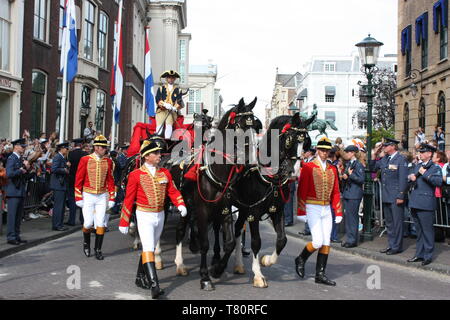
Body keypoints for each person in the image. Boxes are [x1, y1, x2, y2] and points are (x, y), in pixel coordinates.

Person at [118, 139, 187, 299]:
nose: (159, 155)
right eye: (155, 153)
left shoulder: (165, 173)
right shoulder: (136, 175)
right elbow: (129, 199)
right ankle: (155, 285)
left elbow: (173, 191)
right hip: (144, 215)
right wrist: (124, 220)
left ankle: (139, 278)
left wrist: (180, 204)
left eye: (158, 152)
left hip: (160, 215)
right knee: (149, 248)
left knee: (147, 248)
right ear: (146, 156)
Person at [295, 137, 343, 286]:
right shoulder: (309, 167)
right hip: (312, 206)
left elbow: (336, 191)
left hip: (326, 208)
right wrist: (301, 211)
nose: (324, 153)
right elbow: (302, 189)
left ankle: (320, 274)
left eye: (326, 150)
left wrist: (338, 211)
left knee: (326, 241)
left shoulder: (332, 168)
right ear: (317, 150)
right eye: (322, 150)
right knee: (317, 241)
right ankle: (301, 258)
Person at [75, 135, 115, 260]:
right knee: (87, 223)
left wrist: (112, 197)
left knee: (101, 223)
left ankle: (98, 249)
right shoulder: (85, 159)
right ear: (96, 147)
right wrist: (78, 197)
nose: (105, 149)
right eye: (102, 147)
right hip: (88, 195)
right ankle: (86, 243)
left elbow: (110, 180)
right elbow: (78, 180)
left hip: (102, 196)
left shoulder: (108, 161)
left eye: (105, 147)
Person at [370, 138, 408, 255]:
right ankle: (391, 245)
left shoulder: (400, 159)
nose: (384, 147)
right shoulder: (385, 159)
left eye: (386, 146)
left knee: (397, 223)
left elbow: (403, 179)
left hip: (396, 196)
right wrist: (373, 154)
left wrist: (401, 195)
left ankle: (397, 246)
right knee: (390, 223)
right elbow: (372, 168)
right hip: (386, 195)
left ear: (393, 146)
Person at [407, 143, 443, 265]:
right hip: (415, 201)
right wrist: (411, 177)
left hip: (426, 203)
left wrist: (424, 173)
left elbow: (438, 182)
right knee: (419, 231)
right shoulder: (418, 166)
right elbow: (412, 180)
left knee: (427, 231)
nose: (420, 154)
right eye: (420, 152)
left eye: (423, 152)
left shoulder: (435, 167)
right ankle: (419, 254)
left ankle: (428, 255)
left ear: (429, 154)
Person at [5, 139, 31, 245]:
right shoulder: (11, 158)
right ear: (16, 146)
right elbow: (9, 173)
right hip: (13, 191)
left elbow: (22, 174)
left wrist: (28, 170)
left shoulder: (20, 158)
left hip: (20, 190)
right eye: (22, 146)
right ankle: (11, 237)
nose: (24, 148)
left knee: (18, 216)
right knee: (12, 215)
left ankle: (16, 235)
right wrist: (21, 170)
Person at [341, 145, 365, 248]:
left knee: (352, 218)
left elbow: (361, 179)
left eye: (348, 152)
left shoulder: (358, 164)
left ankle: (352, 240)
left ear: (352, 153)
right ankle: (350, 238)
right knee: (349, 218)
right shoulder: (349, 163)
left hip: (354, 194)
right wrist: (345, 177)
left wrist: (350, 175)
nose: (346, 154)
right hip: (348, 193)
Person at [155, 70, 184, 139]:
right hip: (161, 110)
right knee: (159, 125)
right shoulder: (161, 89)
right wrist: (165, 104)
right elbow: (158, 99)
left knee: (169, 125)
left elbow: (179, 102)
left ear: (174, 79)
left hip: (171, 112)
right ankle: (158, 139)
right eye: (169, 78)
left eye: (172, 78)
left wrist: (174, 108)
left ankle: (167, 139)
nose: (171, 79)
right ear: (166, 79)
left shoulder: (178, 90)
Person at [67, 138, 88, 226]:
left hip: (72, 179)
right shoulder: (85, 154)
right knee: (83, 200)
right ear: (81, 145)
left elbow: (68, 166)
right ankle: (83, 219)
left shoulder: (70, 154)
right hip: (82, 180)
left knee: (72, 200)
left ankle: (71, 220)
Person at [50, 142, 70, 231]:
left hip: (62, 184)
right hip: (58, 184)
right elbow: (54, 169)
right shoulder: (58, 157)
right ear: (61, 149)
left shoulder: (62, 157)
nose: (67, 150)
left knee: (61, 206)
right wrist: (64, 169)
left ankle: (59, 224)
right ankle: (57, 224)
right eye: (66, 148)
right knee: (58, 206)